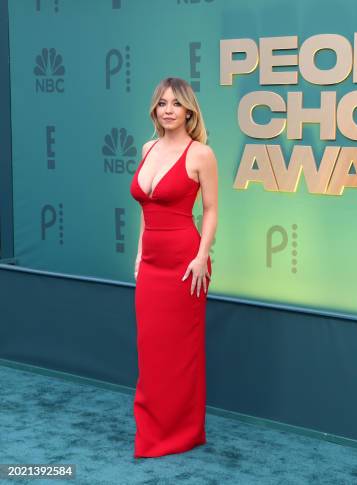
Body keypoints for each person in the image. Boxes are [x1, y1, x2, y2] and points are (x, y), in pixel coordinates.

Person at [129, 77, 218, 458]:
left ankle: (183, 433)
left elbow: (211, 210)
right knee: (151, 351)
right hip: (150, 263)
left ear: (189, 111)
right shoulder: (148, 148)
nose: (167, 109)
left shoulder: (201, 154)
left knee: (181, 353)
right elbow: (146, 213)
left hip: (186, 265)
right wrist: (137, 253)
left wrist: (201, 256)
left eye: (175, 104)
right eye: (162, 103)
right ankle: (152, 430)